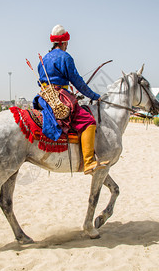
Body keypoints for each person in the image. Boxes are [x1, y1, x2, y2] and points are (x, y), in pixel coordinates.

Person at [36, 24, 108, 175]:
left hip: (44, 98)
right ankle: (88, 162)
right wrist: (95, 96)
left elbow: (41, 81)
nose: (67, 45)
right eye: (67, 42)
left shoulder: (43, 60)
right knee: (88, 121)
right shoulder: (65, 57)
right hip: (60, 98)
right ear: (63, 42)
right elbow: (78, 82)